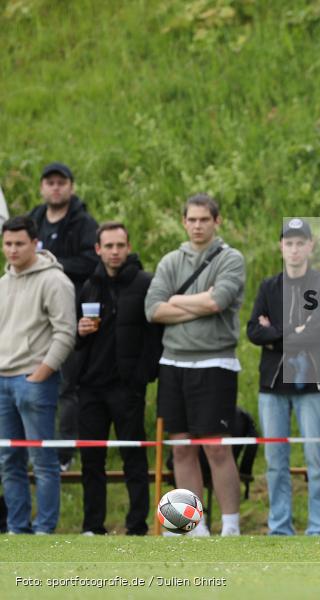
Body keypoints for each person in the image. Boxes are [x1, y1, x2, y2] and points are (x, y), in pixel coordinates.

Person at [145, 194, 245, 536]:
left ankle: (231, 525)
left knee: (216, 448)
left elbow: (218, 301)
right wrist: (195, 304)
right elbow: (154, 309)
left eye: (205, 219)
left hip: (215, 363)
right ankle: (192, 525)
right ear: (184, 221)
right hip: (173, 363)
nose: (198, 225)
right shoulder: (171, 260)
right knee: (182, 447)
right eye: (192, 219)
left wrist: (177, 300)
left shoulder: (230, 259)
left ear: (217, 221)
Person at [247, 218, 320, 536]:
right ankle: (280, 526)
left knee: (317, 459)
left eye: (301, 243)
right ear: (281, 247)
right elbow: (253, 331)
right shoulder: (268, 287)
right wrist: (292, 331)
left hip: (312, 383)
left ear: (310, 246)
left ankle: (317, 528)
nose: (295, 249)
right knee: (275, 461)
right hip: (272, 385)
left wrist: (275, 334)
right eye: (289, 243)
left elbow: (318, 331)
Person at [73, 222, 161, 536]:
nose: (114, 252)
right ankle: (92, 526)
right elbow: (77, 336)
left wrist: (143, 376)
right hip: (91, 388)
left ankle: (137, 524)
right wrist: (79, 331)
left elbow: (156, 336)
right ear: (98, 249)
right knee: (91, 460)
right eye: (108, 246)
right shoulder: (89, 285)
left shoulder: (146, 283)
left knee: (133, 457)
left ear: (128, 246)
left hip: (127, 387)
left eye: (119, 246)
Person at [0, 216, 75, 534]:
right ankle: (18, 529)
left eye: (19, 243)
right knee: (8, 461)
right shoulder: (2, 284)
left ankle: (44, 529)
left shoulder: (55, 281)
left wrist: (41, 373)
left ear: (35, 243)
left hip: (34, 381)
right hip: (3, 381)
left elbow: (66, 333)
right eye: (7, 244)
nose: (13, 250)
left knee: (43, 462)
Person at [28, 163, 99, 471]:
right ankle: (33, 448)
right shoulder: (34, 219)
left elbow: (90, 263)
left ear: (70, 186)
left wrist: (50, 264)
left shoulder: (83, 223)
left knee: (67, 385)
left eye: (61, 182)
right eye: (50, 182)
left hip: (68, 314)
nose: (55, 188)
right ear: (42, 188)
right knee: (31, 383)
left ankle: (64, 453)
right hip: (32, 316)